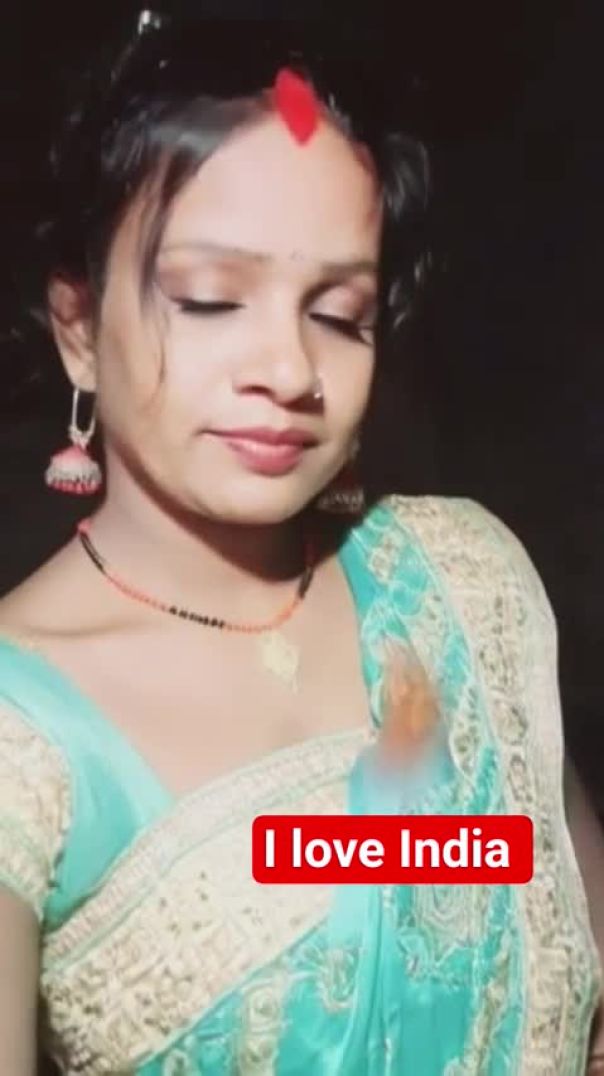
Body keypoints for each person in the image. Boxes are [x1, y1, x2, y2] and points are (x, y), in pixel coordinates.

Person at [0, 11, 602, 1075]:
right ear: (78, 328)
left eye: (339, 314)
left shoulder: (462, 582)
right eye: (210, 299)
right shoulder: (20, 739)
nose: (288, 369)